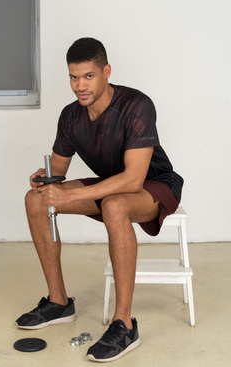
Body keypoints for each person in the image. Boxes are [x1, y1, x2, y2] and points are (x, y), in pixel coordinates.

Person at [15, 37, 183, 362]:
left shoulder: (137, 105)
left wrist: (74, 193)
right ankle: (59, 302)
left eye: (88, 76)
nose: (80, 85)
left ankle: (124, 324)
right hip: (109, 186)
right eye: (73, 77)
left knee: (114, 204)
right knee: (35, 200)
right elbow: (58, 172)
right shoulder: (70, 117)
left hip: (154, 185)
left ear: (106, 71)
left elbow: (134, 179)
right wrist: (43, 178)